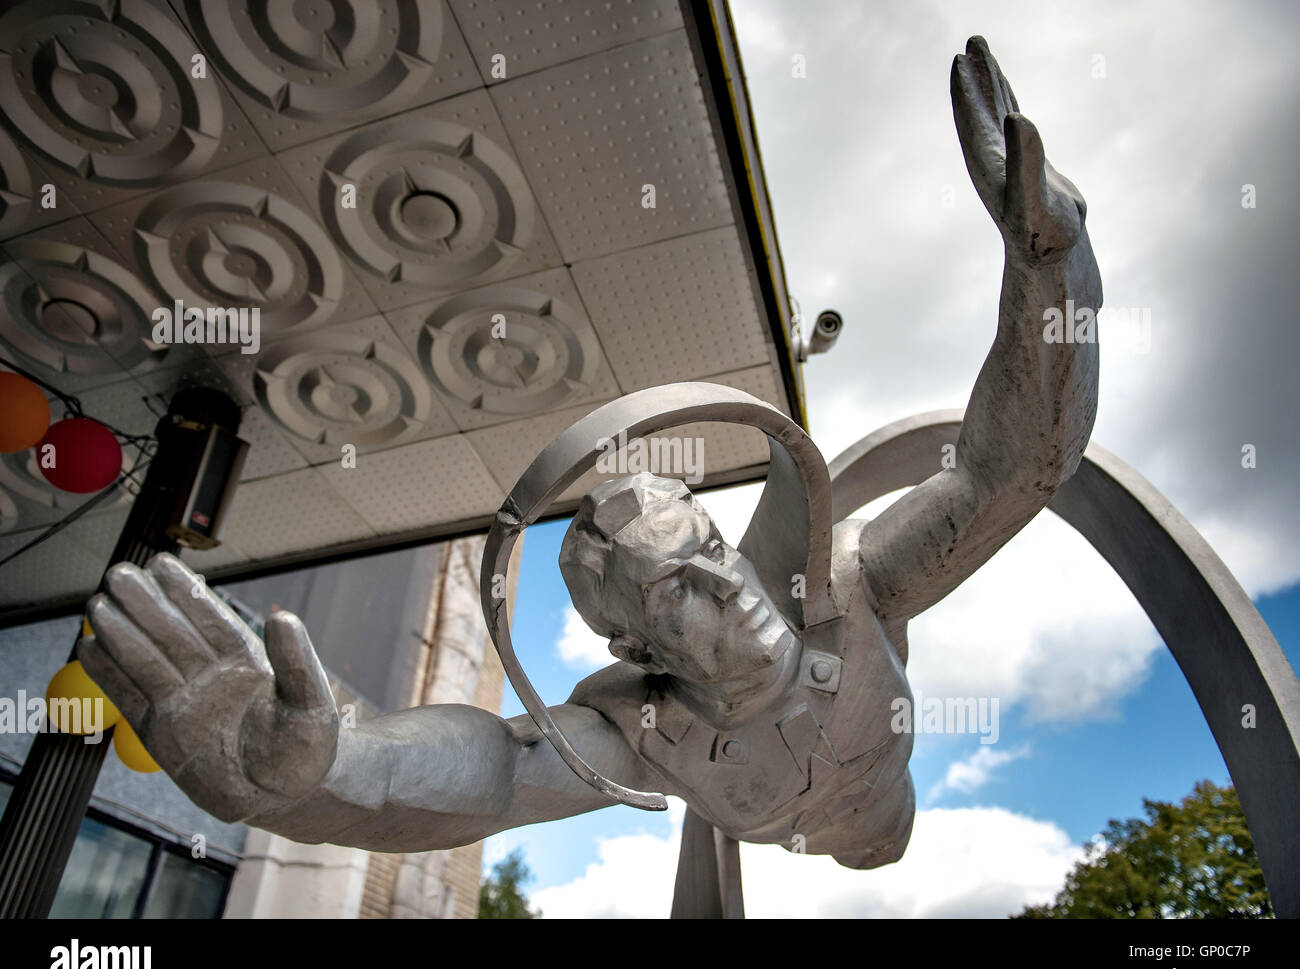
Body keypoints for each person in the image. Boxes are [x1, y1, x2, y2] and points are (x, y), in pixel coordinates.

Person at [79, 37, 1100, 867]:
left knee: (883, 834)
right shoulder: (644, 732)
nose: (725, 580)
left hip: (882, 812)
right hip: (791, 829)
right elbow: (487, 772)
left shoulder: (848, 584)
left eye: (707, 548)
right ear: (637, 650)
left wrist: (1051, 268)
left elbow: (1006, 471)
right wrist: (330, 769)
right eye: (678, 592)